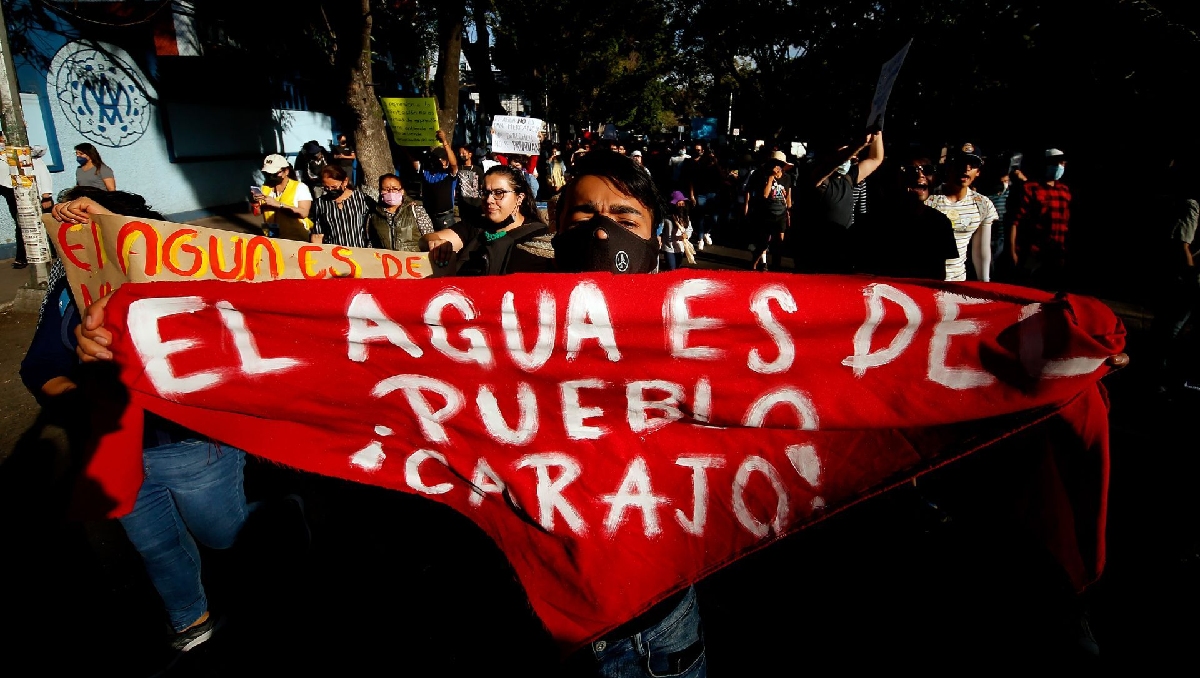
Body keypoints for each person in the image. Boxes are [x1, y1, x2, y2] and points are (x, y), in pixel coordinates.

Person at [36, 187, 306, 675]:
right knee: (157, 547)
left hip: (189, 445)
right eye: (72, 230)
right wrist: (87, 392)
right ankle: (190, 625)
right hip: (112, 449)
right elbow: (40, 369)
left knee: (223, 535)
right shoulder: (65, 294)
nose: (83, 237)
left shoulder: (181, 275)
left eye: (97, 228)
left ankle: (280, 514)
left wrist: (120, 235)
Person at [550, 149, 706, 677]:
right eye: (584, 214)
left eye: (624, 218)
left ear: (654, 238)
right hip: (546, 612)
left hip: (655, 622)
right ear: (555, 225)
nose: (601, 232)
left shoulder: (694, 329)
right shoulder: (502, 321)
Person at [421, 163, 551, 276]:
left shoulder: (538, 235)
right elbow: (425, 240)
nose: (489, 200)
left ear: (519, 198)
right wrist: (436, 243)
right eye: (485, 192)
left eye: (499, 193)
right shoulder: (475, 226)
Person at [790, 130, 884, 274]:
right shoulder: (815, 177)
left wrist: (877, 131)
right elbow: (832, 163)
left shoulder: (848, 178)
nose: (849, 157)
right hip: (815, 259)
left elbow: (875, 159)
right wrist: (857, 145)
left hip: (842, 256)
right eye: (844, 152)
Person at [855, 157, 960, 281]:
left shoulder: (940, 223)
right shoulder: (872, 224)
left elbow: (939, 276)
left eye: (927, 170)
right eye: (910, 171)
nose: (920, 175)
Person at [925, 144, 997, 282]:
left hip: (958, 281)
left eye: (973, 164)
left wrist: (984, 283)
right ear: (950, 166)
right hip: (927, 281)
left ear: (978, 171)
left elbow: (980, 252)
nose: (966, 168)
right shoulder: (929, 199)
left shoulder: (982, 204)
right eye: (961, 163)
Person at [1009, 148, 1072, 290]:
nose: (1059, 167)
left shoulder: (1064, 190)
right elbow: (1015, 222)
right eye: (1055, 163)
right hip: (1033, 254)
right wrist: (1012, 251)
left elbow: (1066, 224)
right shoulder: (1030, 188)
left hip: (1057, 253)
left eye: (1062, 163)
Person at [743, 150, 793, 272]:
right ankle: (754, 263)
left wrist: (789, 211)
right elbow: (765, 194)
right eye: (774, 163)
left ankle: (776, 267)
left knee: (779, 243)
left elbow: (788, 196)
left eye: (779, 164)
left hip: (781, 214)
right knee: (763, 243)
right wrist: (771, 178)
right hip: (766, 213)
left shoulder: (787, 178)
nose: (777, 166)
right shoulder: (763, 176)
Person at [310, 164, 372, 248]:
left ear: (345, 181)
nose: (330, 190)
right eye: (326, 188)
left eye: (334, 187)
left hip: (358, 251)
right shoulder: (321, 203)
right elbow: (317, 234)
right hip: (333, 252)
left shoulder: (362, 199)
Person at [255, 153, 313, 241]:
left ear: (286, 171)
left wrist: (279, 205)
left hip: (295, 238)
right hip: (271, 235)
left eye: (274, 173)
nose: (271, 177)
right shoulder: (265, 188)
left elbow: (304, 213)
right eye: (267, 174)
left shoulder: (300, 187)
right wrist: (256, 204)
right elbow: (258, 213)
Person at [371, 172, 434, 251]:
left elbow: (429, 235)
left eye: (395, 189)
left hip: (412, 258)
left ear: (402, 191)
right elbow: (371, 242)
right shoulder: (374, 215)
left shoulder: (415, 210)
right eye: (386, 189)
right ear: (380, 191)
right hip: (385, 258)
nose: (391, 192)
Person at [419, 129, 459, 231]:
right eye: (437, 159)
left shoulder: (449, 174)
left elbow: (454, 164)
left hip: (445, 218)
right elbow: (414, 161)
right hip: (427, 216)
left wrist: (444, 141)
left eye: (443, 159)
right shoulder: (425, 173)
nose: (440, 161)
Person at [658, 190, 693, 272]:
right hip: (669, 246)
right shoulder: (667, 218)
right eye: (679, 204)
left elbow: (689, 229)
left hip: (680, 247)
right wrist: (658, 236)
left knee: (677, 267)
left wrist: (687, 235)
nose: (681, 206)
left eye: (682, 204)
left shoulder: (686, 217)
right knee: (672, 269)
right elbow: (660, 227)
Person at [455, 143, 484, 225]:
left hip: (476, 204)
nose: (461, 155)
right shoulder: (458, 169)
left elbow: (482, 185)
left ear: (470, 154)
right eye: (460, 153)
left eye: (463, 153)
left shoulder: (477, 169)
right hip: (463, 203)